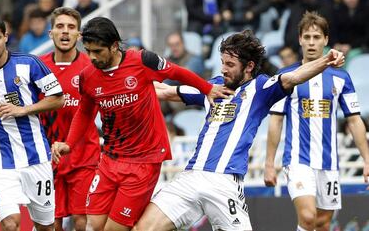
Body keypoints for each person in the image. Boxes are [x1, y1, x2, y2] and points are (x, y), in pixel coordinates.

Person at [133, 29, 345, 231]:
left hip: (224, 183)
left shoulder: (261, 89)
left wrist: (325, 60)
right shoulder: (213, 87)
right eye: (222, 63)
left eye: (230, 64)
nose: (223, 69)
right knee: (143, 227)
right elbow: (166, 91)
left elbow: (294, 77)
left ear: (249, 66)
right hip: (191, 177)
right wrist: (122, 80)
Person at [51, 16, 231, 231]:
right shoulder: (87, 76)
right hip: (110, 159)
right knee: (93, 225)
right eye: (88, 51)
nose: (91, 57)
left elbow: (177, 72)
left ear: (114, 46)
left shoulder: (143, 61)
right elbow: (84, 112)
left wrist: (207, 89)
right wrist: (69, 143)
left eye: (97, 51)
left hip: (144, 161)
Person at [264, 11, 369, 231]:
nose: (312, 42)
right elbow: (275, 120)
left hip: (329, 162)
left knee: (322, 224)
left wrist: (367, 159)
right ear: (300, 39)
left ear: (326, 40)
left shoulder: (341, 77)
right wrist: (269, 164)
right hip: (297, 160)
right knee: (308, 216)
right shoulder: (286, 77)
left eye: (317, 37)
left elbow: (354, 120)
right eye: (307, 37)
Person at [0, 14, 64, 231]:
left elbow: (58, 98)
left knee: (46, 226)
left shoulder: (30, 64)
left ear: (6, 36)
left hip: (35, 156)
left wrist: (23, 109)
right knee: (10, 224)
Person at [38, 7, 99, 231]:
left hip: (84, 156)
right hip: (48, 158)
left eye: (71, 27)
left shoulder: (91, 67)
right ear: (50, 33)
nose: (65, 32)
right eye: (60, 27)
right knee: (52, 222)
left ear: (79, 35)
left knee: (82, 220)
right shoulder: (37, 68)